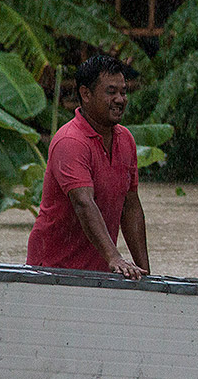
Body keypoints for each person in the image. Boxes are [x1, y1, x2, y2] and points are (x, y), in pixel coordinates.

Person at [27, 55, 150, 278]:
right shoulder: (70, 141)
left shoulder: (126, 140)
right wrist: (114, 257)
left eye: (123, 92)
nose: (120, 99)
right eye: (111, 92)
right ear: (86, 94)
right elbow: (84, 203)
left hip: (100, 270)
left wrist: (147, 274)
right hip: (53, 269)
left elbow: (130, 208)